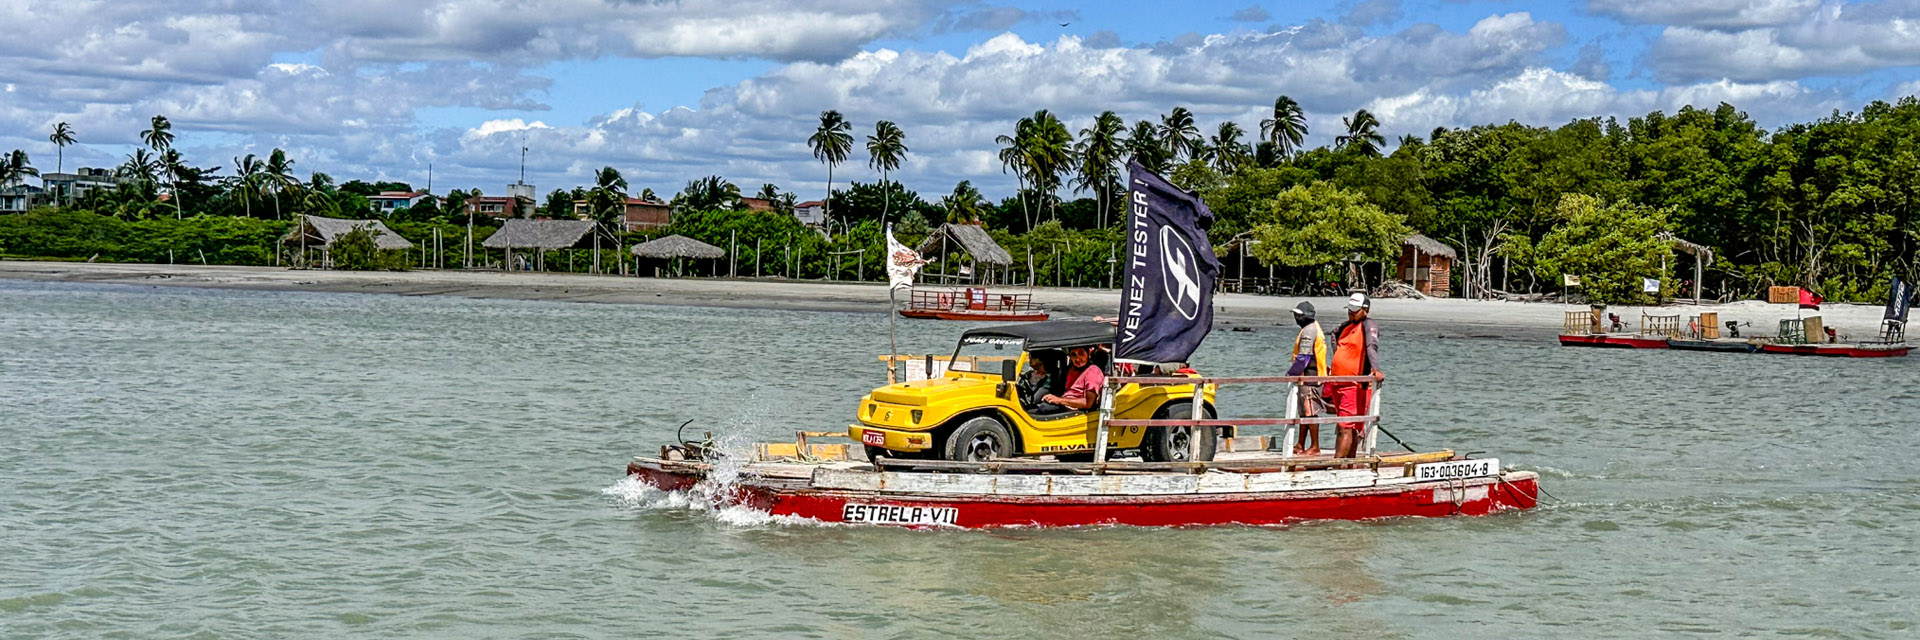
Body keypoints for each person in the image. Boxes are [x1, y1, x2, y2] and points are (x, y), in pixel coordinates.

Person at [1324, 293, 1383, 459]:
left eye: (1355, 311)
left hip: (1354, 385)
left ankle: (1337, 464)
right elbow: (1333, 334)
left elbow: (1372, 347)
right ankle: (1348, 463)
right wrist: (1339, 357)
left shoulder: (1368, 325)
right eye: (1350, 310)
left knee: (1346, 426)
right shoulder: (1345, 326)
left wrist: (1375, 368)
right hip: (1338, 382)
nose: (1351, 313)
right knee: (1346, 426)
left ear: (1366, 309)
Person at [1286, 301, 1329, 455]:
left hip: (1311, 377)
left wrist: (1292, 373)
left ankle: (1315, 446)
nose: (1296, 318)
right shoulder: (1313, 328)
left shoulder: (1309, 331)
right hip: (1310, 376)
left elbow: (1304, 356)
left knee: (1310, 412)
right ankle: (1300, 444)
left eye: (1298, 315)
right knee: (1304, 412)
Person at [1035, 346, 1105, 414]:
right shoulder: (1071, 370)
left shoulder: (1093, 371)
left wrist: (1059, 400)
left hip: (1077, 410)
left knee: (1043, 409)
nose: (1077, 359)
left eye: (1081, 353)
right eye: (1073, 355)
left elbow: (1088, 403)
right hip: (1065, 404)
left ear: (1088, 353)